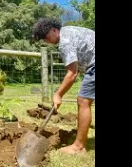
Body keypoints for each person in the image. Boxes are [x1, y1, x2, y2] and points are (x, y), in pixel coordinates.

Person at [32, 18, 95, 155]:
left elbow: (72, 73)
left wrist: (58, 94)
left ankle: (78, 147)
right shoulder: (69, 31)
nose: (46, 41)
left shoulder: (65, 42)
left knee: (83, 100)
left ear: (54, 30)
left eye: (46, 37)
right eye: (44, 39)